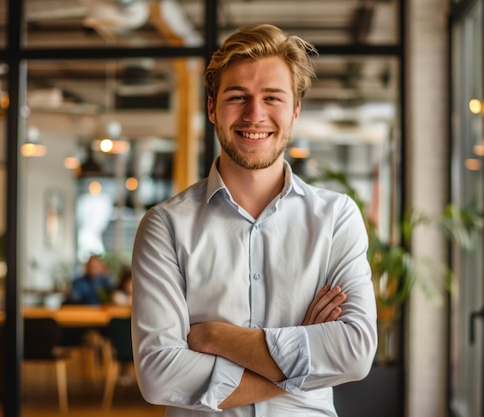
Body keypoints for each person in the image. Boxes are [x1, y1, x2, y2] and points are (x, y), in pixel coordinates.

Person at [131, 24, 377, 416]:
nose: (254, 114)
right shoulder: (165, 226)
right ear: (212, 107)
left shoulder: (336, 218)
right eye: (237, 96)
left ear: (295, 110)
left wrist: (216, 336)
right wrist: (304, 361)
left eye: (272, 97)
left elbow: (354, 352)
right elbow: (159, 375)